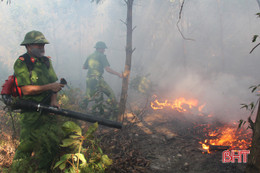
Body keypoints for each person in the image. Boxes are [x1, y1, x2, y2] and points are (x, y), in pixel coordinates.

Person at [11, 30, 65, 172]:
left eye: (43, 45)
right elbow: (25, 90)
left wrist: (54, 101)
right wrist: (49, 87)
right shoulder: (22, 63)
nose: (42, 47)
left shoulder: (46, 61)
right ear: (28, 46)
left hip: (47, 111)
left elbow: (54, 84)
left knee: (49, 145)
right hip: (31, 114)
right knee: (26, 148)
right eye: (38, 45)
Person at [83, 41, 122, 114]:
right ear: (99, 48)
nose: (104, 50)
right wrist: (118, 74)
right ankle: (116, 111)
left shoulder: (90, 56)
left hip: (89, 79)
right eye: (103, 48)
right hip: (97, 79)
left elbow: (84, 67)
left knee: (88, 96)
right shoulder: (102, 56)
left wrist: (93, 66)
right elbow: (107, 69)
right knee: (110, 93)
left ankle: (80, 109)